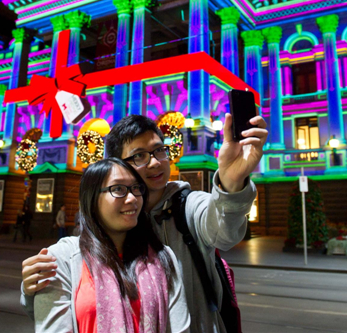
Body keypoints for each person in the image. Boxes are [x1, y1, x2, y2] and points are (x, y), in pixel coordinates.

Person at [21, 113, 267, 333]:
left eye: (159, 150)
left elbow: (224, 232)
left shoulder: (187, 205)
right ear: (115, 164)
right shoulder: (92, 235)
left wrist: (232, 184)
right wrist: (34, 286)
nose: (154, 162)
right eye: (139, 155)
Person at [34, 158, 190, 333]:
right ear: (92, 198)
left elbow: (179, 328)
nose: (132, 198)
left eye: (136, 188)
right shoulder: (60, 259)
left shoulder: (164, 256)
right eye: (118, 189)